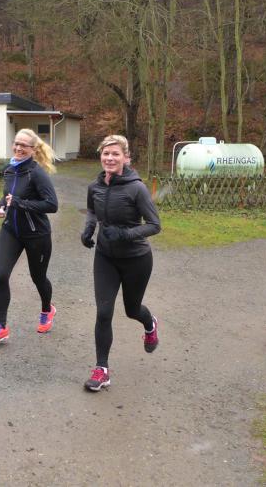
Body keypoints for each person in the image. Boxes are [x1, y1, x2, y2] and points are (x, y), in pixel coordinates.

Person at [80, 134, 161, 391]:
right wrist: (89, 229)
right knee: (104, 313)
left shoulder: (136, 188)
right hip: (105, 257)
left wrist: (125, 234)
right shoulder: (95, 187)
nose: (110, 158)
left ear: (126, 157)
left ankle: (150, 323)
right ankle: (101, 369)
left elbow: (154, 225)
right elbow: (92, 210)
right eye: (106, 153)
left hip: (136, 259)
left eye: (115, 154)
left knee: (132, 310)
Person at [0, 129, 58, 347]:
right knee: (0, 276)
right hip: (11, 231)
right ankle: (1, 327)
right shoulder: (9, 169)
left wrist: (19, 203)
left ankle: (47, 309)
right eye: (16, 143)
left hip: (36, 234)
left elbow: (51, 205)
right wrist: (1, 206)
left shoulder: (37, 173)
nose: (18, 148)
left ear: (33, 149)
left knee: (38, 278)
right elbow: (7, 196)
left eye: (24, 145)